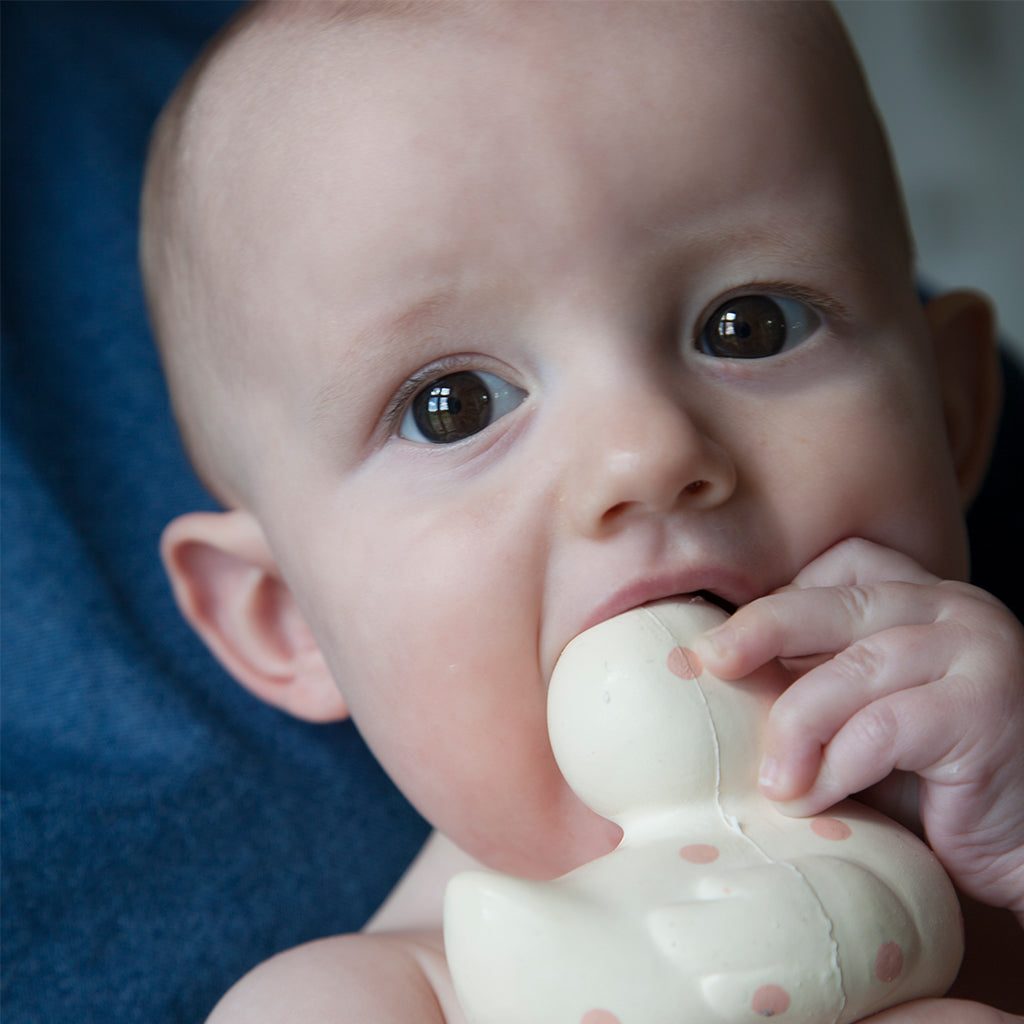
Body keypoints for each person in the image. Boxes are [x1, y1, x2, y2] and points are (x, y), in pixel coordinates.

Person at [138, 1, 1024, 1020]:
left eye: (749, 324)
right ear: (283, 615)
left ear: (949, 416)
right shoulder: (363, 1000)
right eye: (453, 405)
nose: (644, 451)